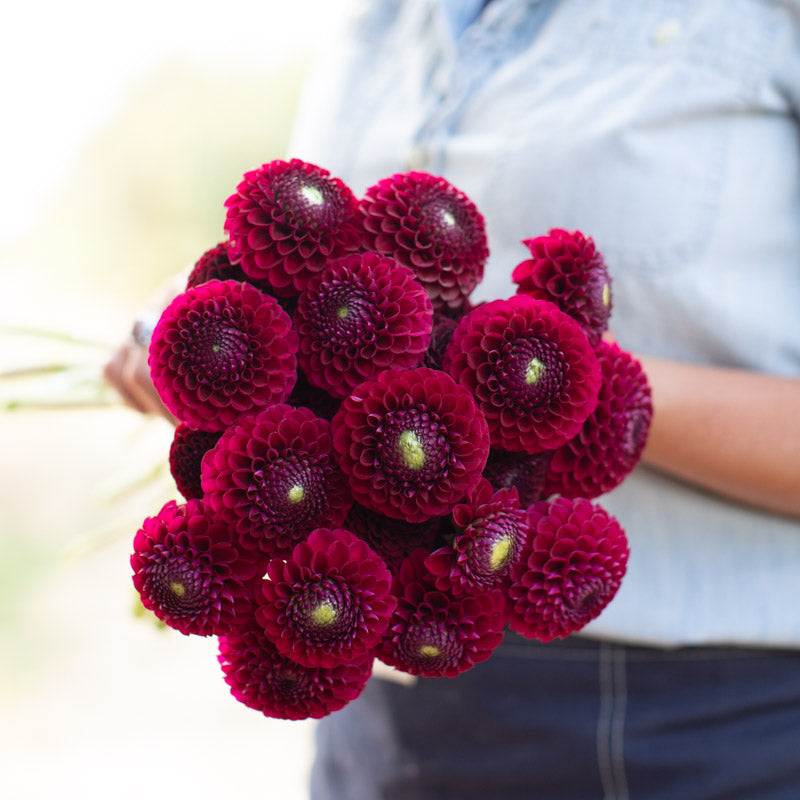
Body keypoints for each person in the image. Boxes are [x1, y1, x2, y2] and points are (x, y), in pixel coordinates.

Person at [106, 1, 800, 797]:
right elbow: (314, 271)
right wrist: (202, 331)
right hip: (382, 701)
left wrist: (570, 384)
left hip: (693, 729)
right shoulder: (380, 24)